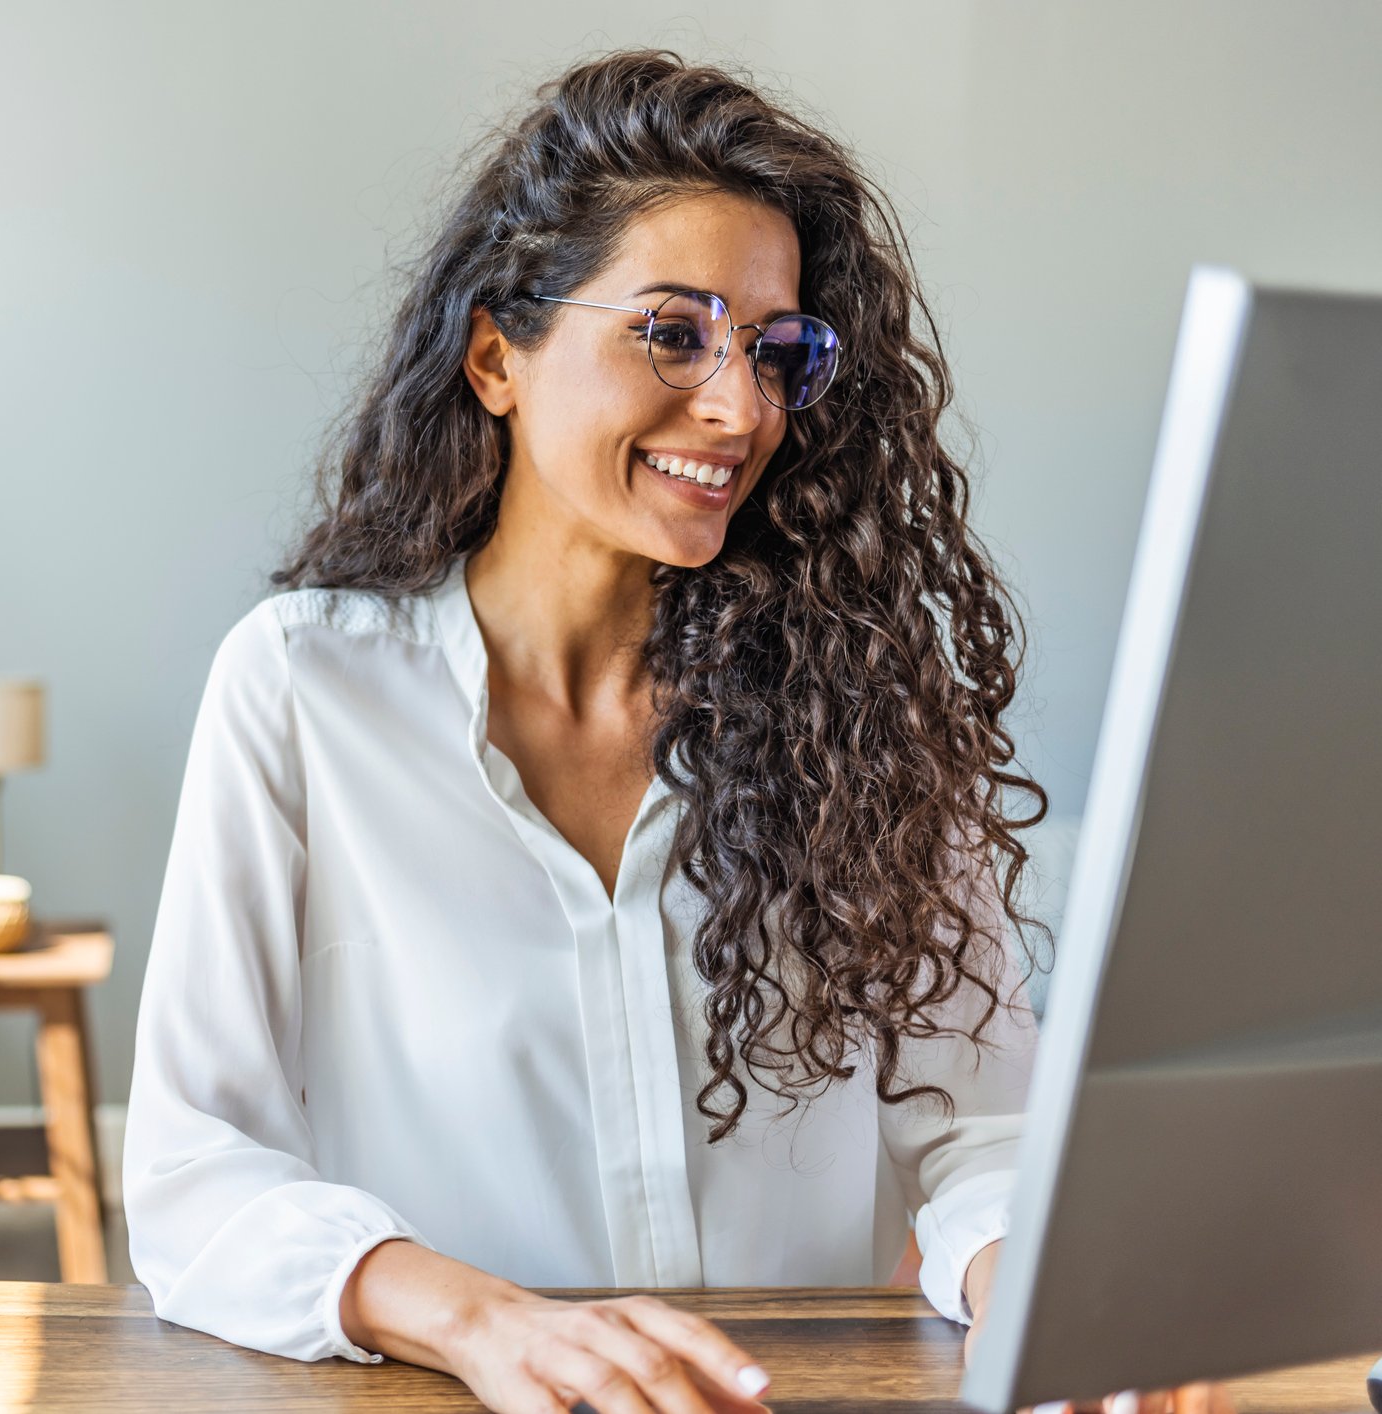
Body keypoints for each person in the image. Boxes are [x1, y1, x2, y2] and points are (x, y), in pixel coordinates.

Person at [123, 49, 1230, 1414]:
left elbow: (982, 1136)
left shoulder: (861, 708)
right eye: (672, 332)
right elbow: (193, 1173)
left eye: (774, 352)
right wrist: (487, 1323)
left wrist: (1049, 1297)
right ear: (494, 357)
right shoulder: (301, 694)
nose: (739, 407)